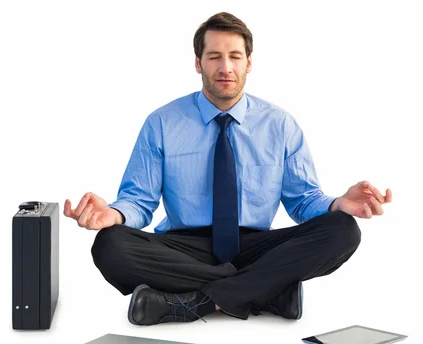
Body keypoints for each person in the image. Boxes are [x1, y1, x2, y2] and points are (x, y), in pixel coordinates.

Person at [64, 12, 392, 326]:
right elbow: (139, 200)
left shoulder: (280, 125)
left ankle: (199, 301)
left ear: (249, 63)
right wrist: (115, 215)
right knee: (110, 245)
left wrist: (337, 205)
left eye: (235, 56)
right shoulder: (162, 123)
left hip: (255, 246)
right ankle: (267, 292)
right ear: (198, 63)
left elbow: (303, 200)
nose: (225, 67)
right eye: (214, 56)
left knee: (343, 230)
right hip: (184, 247)